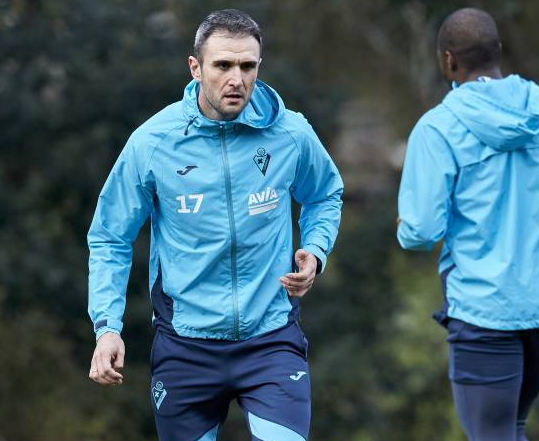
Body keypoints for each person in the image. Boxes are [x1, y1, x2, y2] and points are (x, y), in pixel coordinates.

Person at [86, 9, 343, 441]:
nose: (236, 79)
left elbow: (324, 194)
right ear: (196, 67)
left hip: (270, 340)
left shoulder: (291, 133)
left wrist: (315, 250)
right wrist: (107, 327)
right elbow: (110, 237)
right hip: (186, 346)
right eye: (223, 65)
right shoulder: (153, 143)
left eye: (248, 66)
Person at [397, 7, 539, 441]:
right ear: (498, 50)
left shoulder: (438, 128)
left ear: (448, 61)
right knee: (512, 427)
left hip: (483, 313)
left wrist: (405, 222)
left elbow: (420, 232)